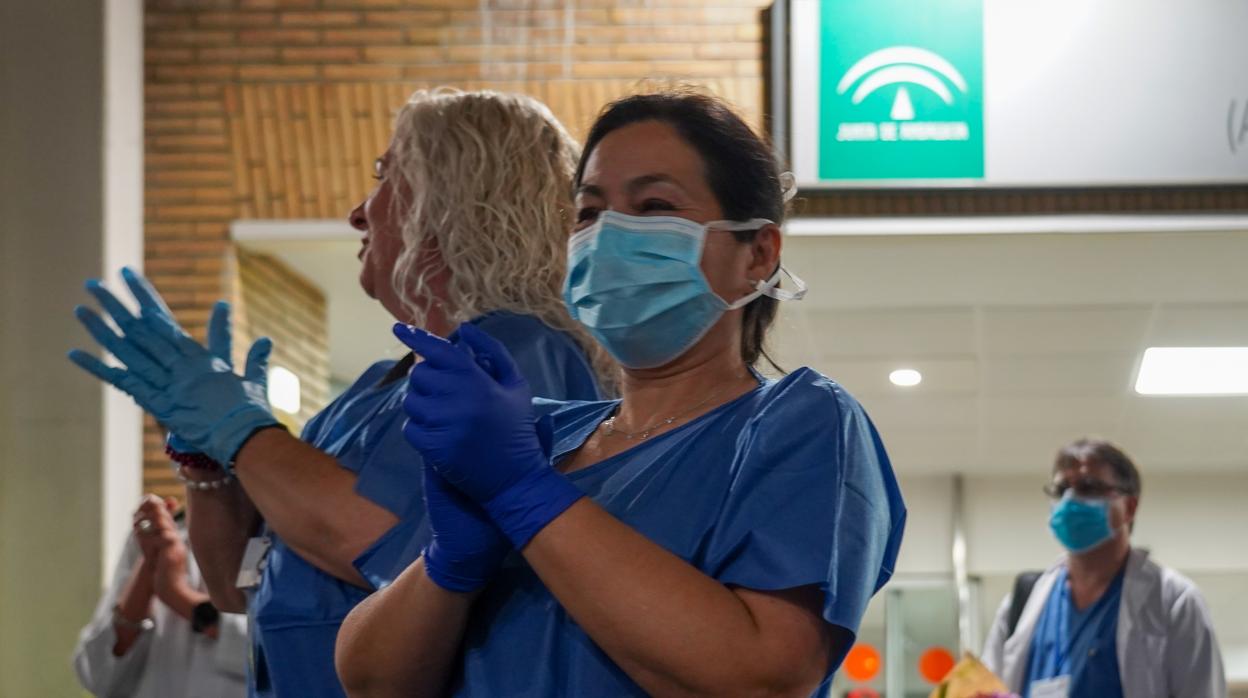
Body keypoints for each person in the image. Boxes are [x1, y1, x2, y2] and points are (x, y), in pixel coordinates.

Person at [334, 90, 907, 697]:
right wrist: (449, 564)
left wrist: (526, 496)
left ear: (758, 254)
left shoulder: (798, 424)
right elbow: (370, 682)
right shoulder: (540, 436)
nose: (608, 235)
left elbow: (760, 678)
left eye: (654, 206)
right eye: (589, 212)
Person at [68, 89, 612, 697]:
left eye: (385, 176)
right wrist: (205, 459)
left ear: (451, 200)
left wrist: (243, 431)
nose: (358, 213)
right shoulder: (369, 392)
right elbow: (235, 583)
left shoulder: (519, 353)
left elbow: (385, 546)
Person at [981, 438, 1227, 697]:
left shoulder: (1174, 601)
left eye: (1088, 487)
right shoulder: (1023, 602)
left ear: (1129, 507)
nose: (1069, 500)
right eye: (1061, 489)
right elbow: (986, 690)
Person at [73, 494, 248, 697]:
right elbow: (97, 676)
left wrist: (180, 597)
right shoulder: (157, 535)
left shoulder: (276, 537)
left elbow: (272, 655)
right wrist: (149, 564)